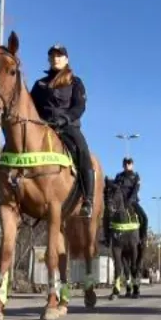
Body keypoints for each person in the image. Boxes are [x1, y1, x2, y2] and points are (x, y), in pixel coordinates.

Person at [30, 43, 94, 217]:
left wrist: (64, 119)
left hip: (67, 127)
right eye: (52, 56)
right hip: (42, 127)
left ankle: (88, 200)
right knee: (13, 145)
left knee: (83, 152)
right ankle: (6, 195)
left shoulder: (75, 81)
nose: (55, 59)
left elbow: (80, 106)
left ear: (66, 59)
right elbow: (29, 105)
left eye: (59, 56)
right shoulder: (40, 84)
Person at [113, 157, 148, 266]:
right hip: (119, 204)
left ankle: (143, 239)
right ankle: (107, 238)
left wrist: (130, 200)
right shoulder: (118, 176)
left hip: (132, 202)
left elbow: (135, 190)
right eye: (125, 163)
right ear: (122, 165)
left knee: (145, 218)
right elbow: (114, 189)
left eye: (129, 163)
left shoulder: (136, 176)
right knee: (107, 216)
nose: (127, 165)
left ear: (132, 165)